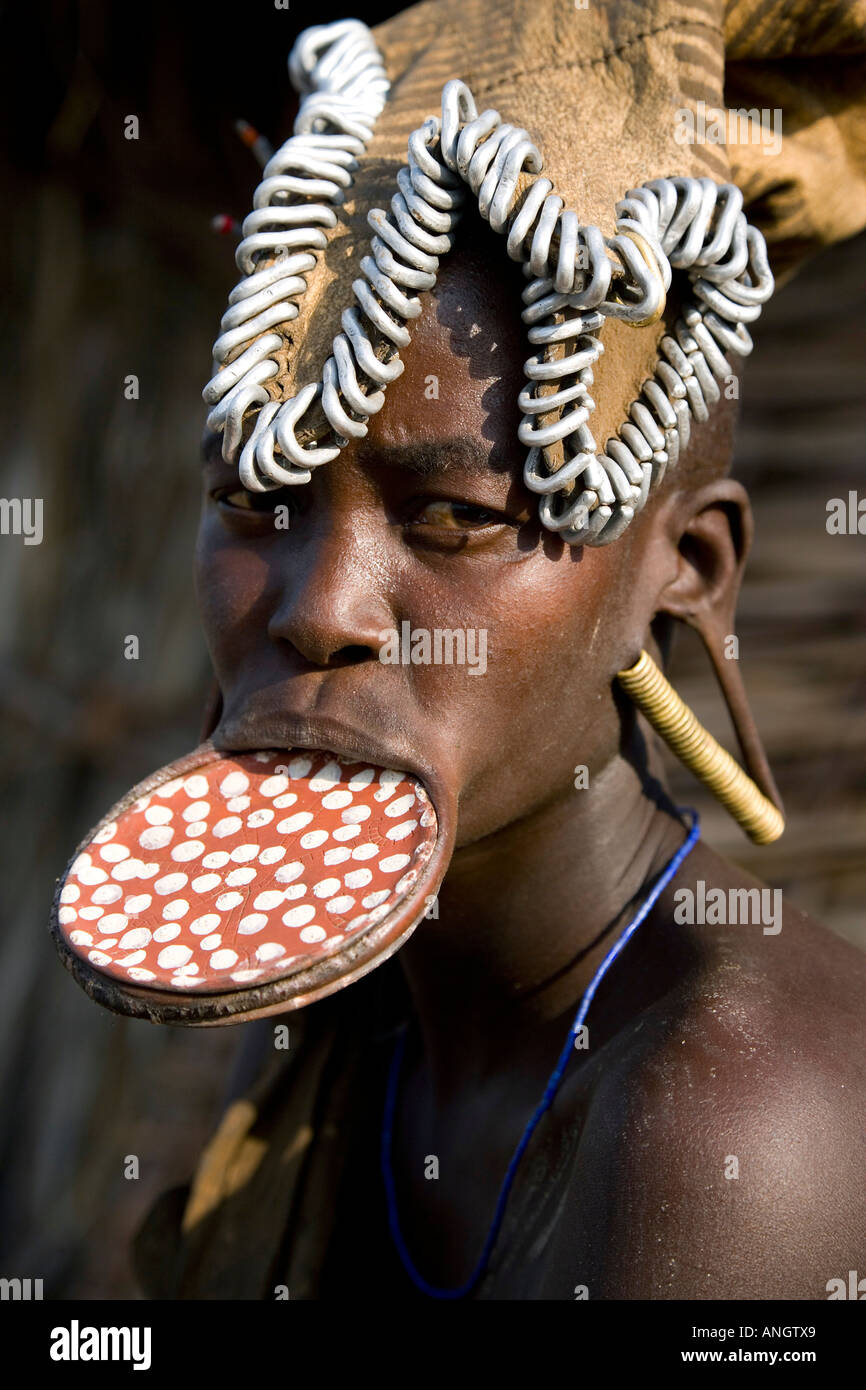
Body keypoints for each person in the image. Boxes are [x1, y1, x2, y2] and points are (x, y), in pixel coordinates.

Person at [131, 0, 866, 1299]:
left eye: (455, 517)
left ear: (681, 570)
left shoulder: (731, 1116)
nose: (321, 608)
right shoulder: (344, 1018)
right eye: (258, 498)